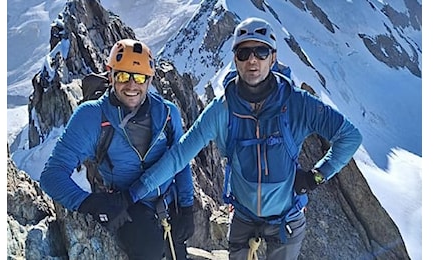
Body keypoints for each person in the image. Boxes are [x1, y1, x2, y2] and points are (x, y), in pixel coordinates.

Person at [124, 17, 363, 259]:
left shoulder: (297, 103)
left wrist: (316, 176)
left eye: (261, 51)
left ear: (273, 57)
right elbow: (179, 156)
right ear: (235, 59)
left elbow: (350, 136)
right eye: (244, 53)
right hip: (243, 219)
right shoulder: (222, 109)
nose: (252, 60)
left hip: (286, 220)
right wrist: (132, 194)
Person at [40, 39, 194, 260]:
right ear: (110, 75)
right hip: (126, 207)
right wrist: (91, 204)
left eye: (140, 77)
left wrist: (187, 208)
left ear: (150, 80)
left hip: (170, 207)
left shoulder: (168, 114)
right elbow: (51, 175)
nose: (132, 85)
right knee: (148, 249)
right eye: (123, 76)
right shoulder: (92, 117)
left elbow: (181, 161)